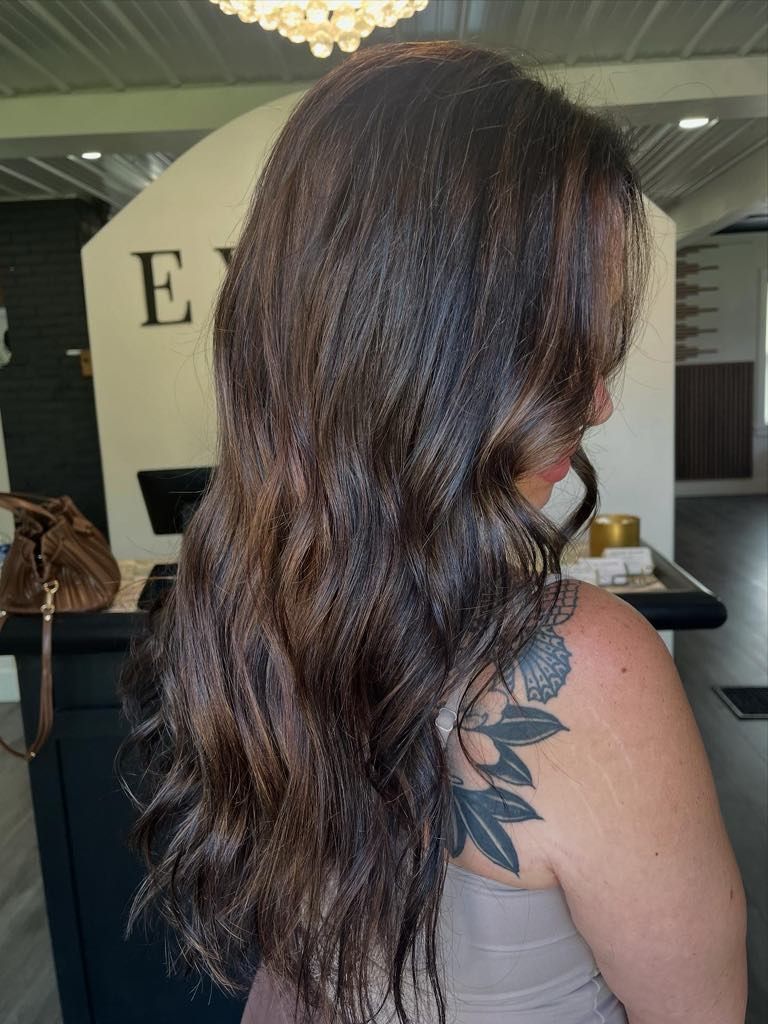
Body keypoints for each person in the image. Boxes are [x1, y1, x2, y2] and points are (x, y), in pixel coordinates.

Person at [118, 40, 747, 1024]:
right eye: (555, 345)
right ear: (424, 352)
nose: (596, 398)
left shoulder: (244, 599)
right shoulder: (582, 666)